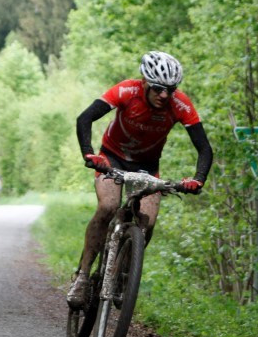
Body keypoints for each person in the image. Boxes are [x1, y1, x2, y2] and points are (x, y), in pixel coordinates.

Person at [66, 51, 213, 309]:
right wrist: (89, 153)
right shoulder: (126, 91)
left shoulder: (180, 105)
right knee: (108, 207)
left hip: (147, 167)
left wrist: (198, 179)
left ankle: (124, 274)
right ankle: (83, 275)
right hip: (112, 158)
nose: (164, 95)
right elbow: (85, 118)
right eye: (158, 88)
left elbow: (204, 148)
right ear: (144, 82)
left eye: (170, 89)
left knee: (148, 222)